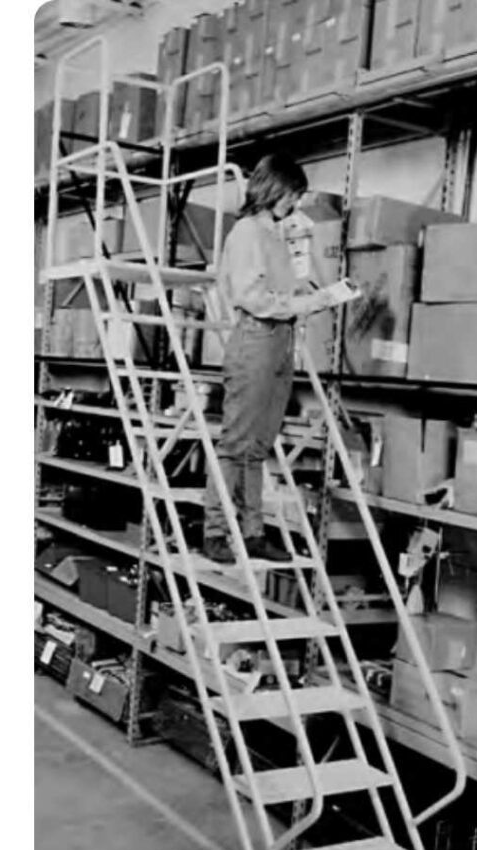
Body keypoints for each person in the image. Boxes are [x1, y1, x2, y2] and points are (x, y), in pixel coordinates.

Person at [201, 153, 336, 565]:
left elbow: (296, 283)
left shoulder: (279, 234)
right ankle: (215, 531)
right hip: (256, 338)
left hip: (281, 339)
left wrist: (315, 288)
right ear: (274, 188)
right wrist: (302, 302)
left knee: (258, 446)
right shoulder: (247, 232)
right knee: (236, 442)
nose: (294, 203)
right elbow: (251, 296)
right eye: (292, 194)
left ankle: (253, 532)